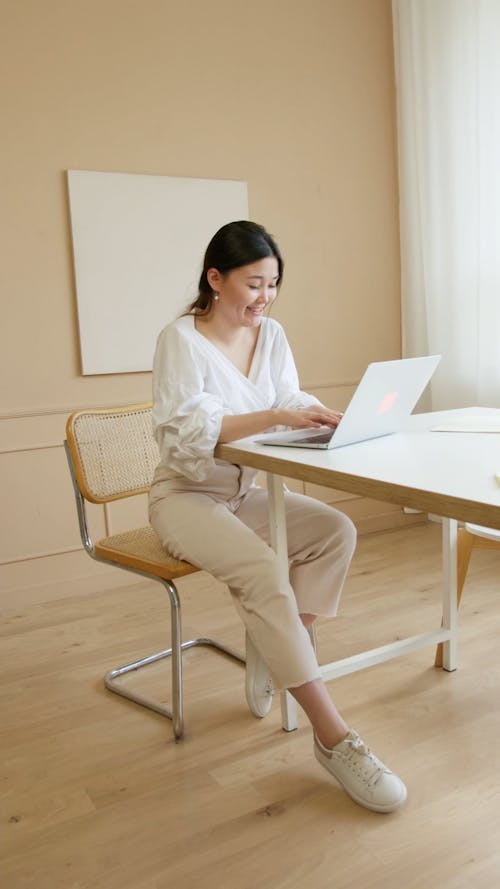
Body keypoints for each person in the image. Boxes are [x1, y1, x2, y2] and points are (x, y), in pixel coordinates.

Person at [149, 220, 407, 814]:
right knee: (266, 573)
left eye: (273, 284)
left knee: (336, 531)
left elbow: (287, 397)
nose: (263, 297)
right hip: (186, 497)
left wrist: (324, 414)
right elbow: (189, 437)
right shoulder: (180, 340)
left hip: (243, 495)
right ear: (215, 279)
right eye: (252, 283)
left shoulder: (272, 334)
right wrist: (271, 418)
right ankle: (335, 739)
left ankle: (273, 644)